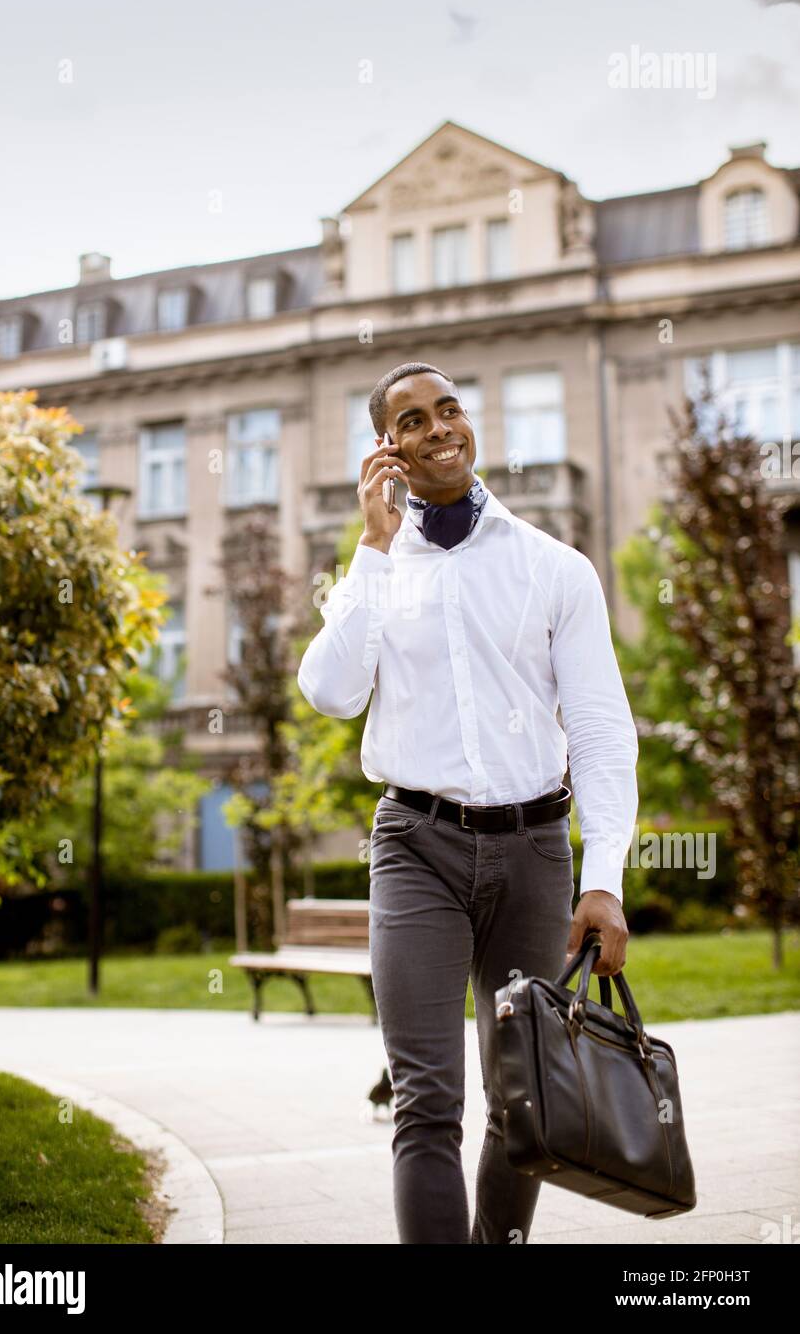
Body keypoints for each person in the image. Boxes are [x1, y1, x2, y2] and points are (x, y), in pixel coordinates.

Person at [297, 362, 639, 1245]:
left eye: (448, 408)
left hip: (534, 852)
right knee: (426, 1103)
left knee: (522, 1101)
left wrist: (603, 879)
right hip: (416, 845)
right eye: (411, 419)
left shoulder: (552, 567)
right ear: (387, 449)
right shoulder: (377, 570)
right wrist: (371, 550)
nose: (438, 427)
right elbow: (330, 692)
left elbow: (601, 730)